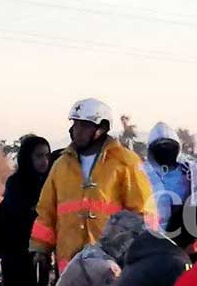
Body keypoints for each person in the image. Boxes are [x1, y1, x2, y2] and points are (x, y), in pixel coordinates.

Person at [30, 98, 156, 274]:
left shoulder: (125, 163)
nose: (77, 131)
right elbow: (46, 212)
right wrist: (41, 248)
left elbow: (142, 213)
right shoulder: (60, 166)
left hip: (112, 267)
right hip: (70, 269)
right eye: (76, 124)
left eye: (85, 126)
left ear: (102, 128)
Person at [0, 135, 51, 286]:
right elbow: (24, 213)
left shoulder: (48, 183)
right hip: (15, 251)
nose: (44, 161)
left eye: (47, 156)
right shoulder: (16, 183)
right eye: (39, 156)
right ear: (27, 158)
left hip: (37, 251)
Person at [143, 122, 197, 229]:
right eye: (160, 146)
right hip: (154, 234)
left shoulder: (191, 170)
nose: (164, 149)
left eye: (168, 145)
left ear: (177, 147)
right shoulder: (142, 173)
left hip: (188, 230)